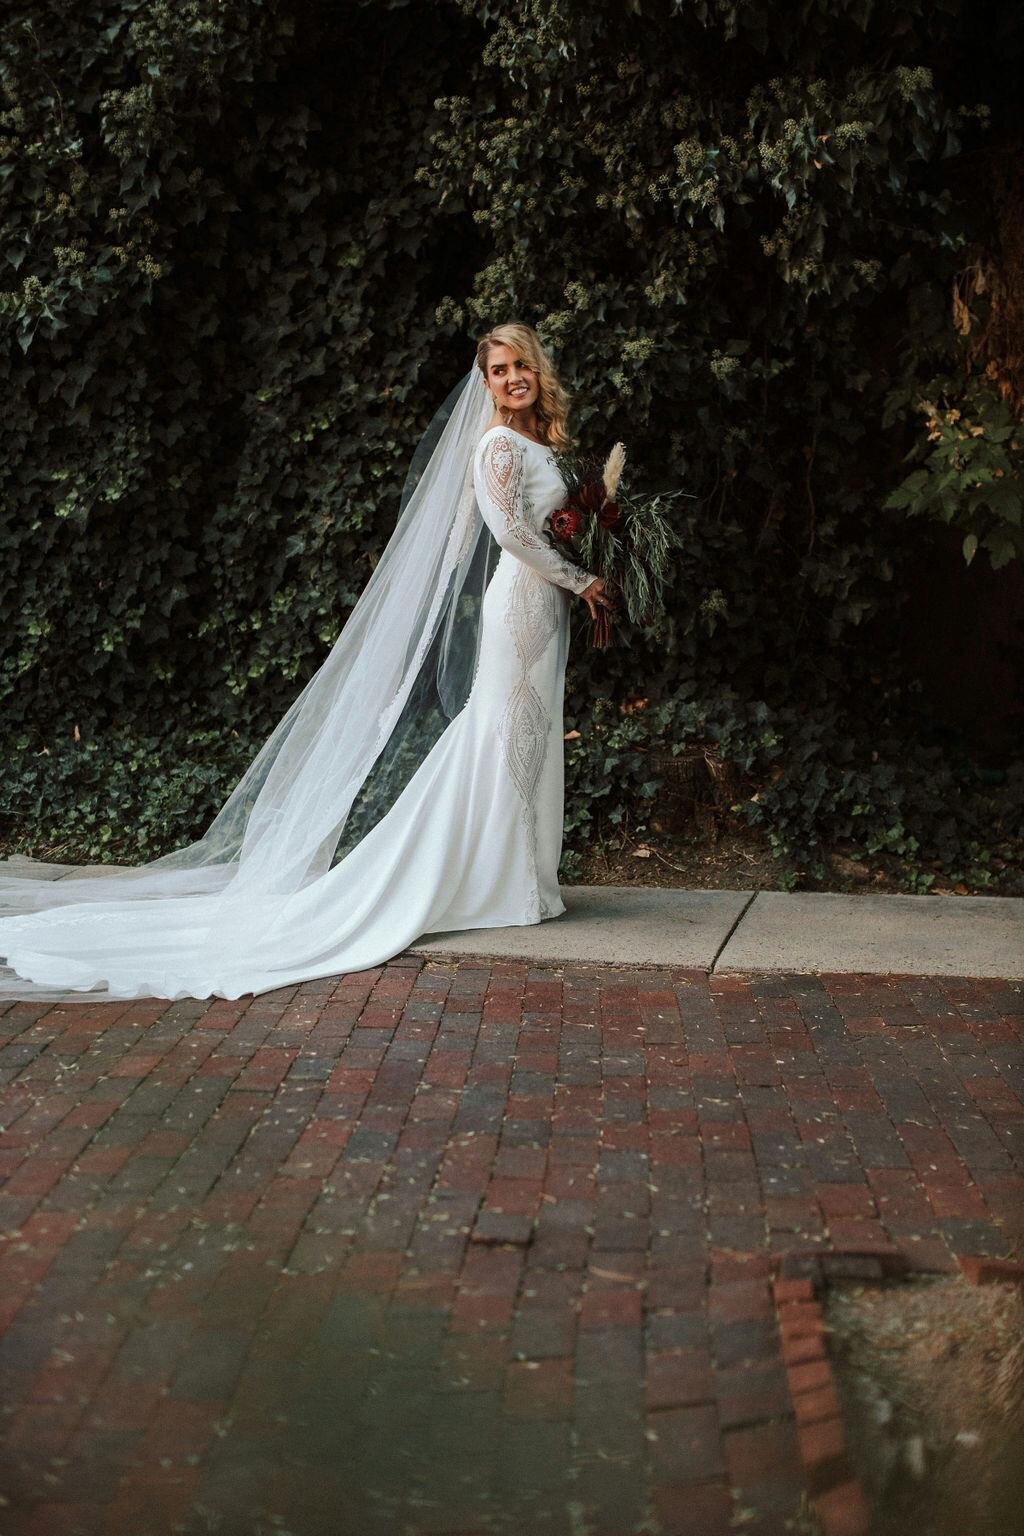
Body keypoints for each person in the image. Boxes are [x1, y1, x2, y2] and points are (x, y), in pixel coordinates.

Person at [0, 323, 613, 1003]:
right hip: (522, 608)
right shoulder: (497, 443)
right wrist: (581, 580)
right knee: (500, 736)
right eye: (498, 371)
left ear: (537, 370)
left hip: (544, 607)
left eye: (520, 365)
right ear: (487, 382)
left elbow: (552, 520)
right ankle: (494, 883)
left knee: (526, 740)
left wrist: (595, 544)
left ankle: (521, 878)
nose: (511, 379)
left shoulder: (541, 442)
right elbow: (511, 533)